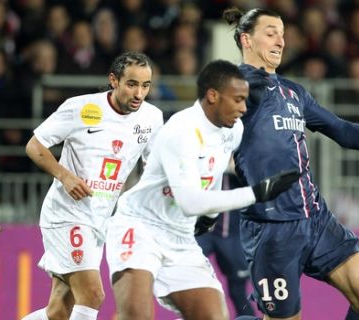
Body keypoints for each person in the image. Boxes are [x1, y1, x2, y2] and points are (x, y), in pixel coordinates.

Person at [223, 7, 359, 320]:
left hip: (316, 219)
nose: (281, 40)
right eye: (271, 33)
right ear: (246, 39)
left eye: (282, 33)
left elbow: (342, 130)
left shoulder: (294, 92)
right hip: (271, 231)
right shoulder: (239, 90)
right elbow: (203, 135)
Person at [105, 59, 301, 320]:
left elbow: (215, 169)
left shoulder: (233, 130)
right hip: (140, 226)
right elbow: (189, 202)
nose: (243, 108)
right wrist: (257, 193)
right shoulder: (181, 130)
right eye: (237, 100)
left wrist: (209, 218)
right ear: (212, 96)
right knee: (136, 316)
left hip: (181, 237)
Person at [22, 51, 164, 320]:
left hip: (100, 220)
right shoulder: (81, 108)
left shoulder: (151, 118)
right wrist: (64, 175)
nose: (139, 93)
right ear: (114, 80)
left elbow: (154, 168)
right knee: (93, 294)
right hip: (67, 215)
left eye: (145, 85)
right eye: (132, 84)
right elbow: (34, 145)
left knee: (58, 311)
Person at [196, 172, 256, 317]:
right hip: (205, 232)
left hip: (232, 237)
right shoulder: (206, 156)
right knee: (186, 274)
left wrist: (234, 168)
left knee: (237, 290)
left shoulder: (243, 157)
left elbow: (255, 186)